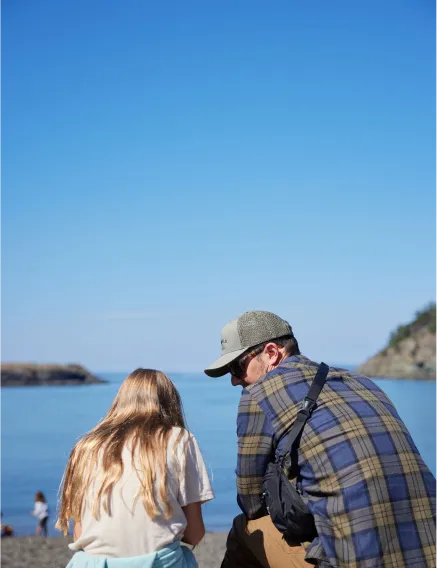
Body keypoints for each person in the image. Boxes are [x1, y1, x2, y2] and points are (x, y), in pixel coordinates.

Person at [204, 310, 437, 568]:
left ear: (271, 353)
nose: (235, 380)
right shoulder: (362, 383)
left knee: (246, 528)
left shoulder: (259, 394)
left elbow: (250, 501)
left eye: (237, 367)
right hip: (428, 550)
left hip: (351, 561)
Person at [56, 368, 214, 568]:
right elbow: (194, 534)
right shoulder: (178, 440)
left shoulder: (86, 447)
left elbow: (79, 534)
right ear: (170, 403)